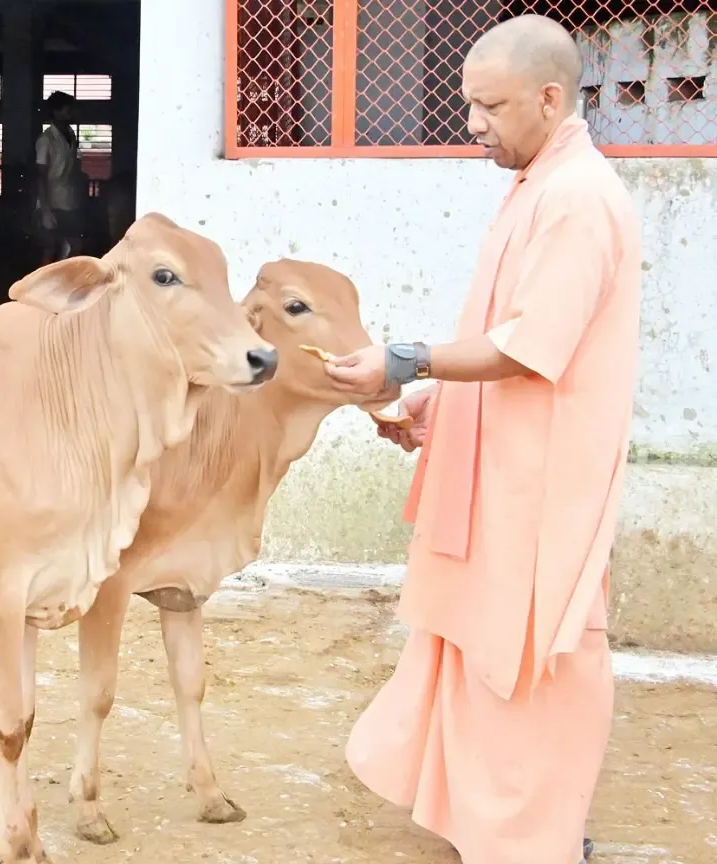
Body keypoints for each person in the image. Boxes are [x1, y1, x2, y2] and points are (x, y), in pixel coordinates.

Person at [324, 14, 641, 864]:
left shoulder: (576, 199)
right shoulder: (538, 186)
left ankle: (539, 839)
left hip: (541, 490)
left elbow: (527, 350)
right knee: (476, 644)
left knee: (532, 658)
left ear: (548, 97)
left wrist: (402, 360)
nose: (473, 125)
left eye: (489, 107)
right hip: (506, 470)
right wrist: (440, 405)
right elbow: (512, 346)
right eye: (468, 105)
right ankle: (495, 828)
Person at [35, 90, 85, 263]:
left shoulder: (71, 135)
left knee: (76, 246)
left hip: (70, 201)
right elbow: (40, 177)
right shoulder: (46, 140)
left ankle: (65, 285)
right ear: (56, 112)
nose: (71, 112)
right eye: (67, 109)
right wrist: (46, 211)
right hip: (52, 202)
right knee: (51, 247)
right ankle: (41, 288)